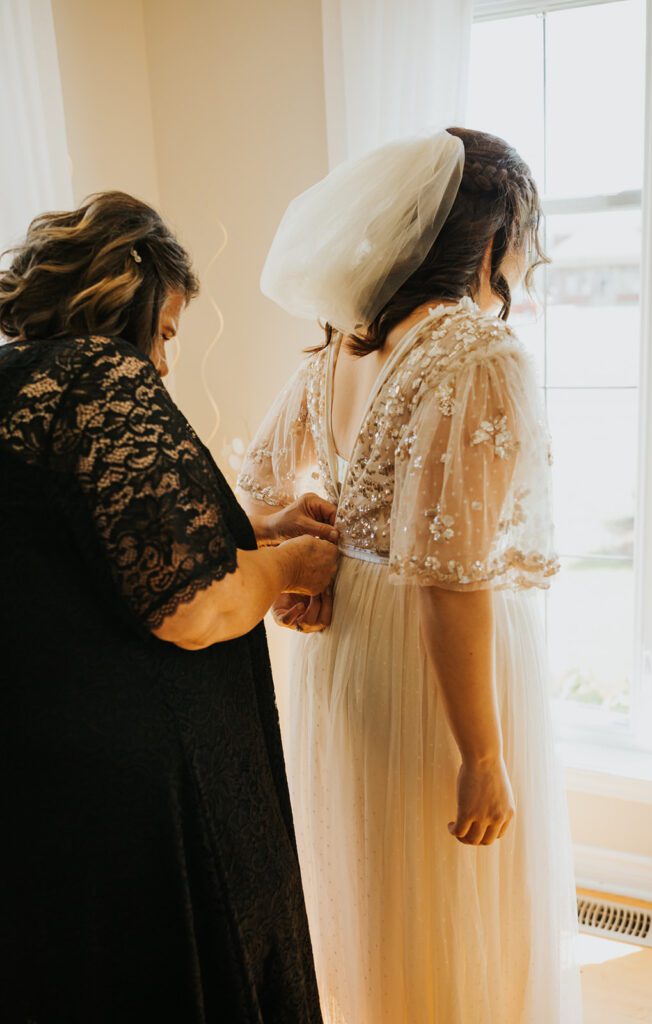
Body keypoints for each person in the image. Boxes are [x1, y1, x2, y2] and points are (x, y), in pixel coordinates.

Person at [237, 128, 584, 1022]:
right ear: (493, 241)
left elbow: (262, 484)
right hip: (441, 667)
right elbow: (450, 578)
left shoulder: (344, 345)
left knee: (378, 876)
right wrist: (483, 756)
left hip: (351, 650)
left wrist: (311, 570)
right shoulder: (479, 353)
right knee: (454, 887)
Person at [0, 191, 338, 1023]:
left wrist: (253, 528)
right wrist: (290, 562)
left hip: (43, 770)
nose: (164, 361)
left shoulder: (16, 385)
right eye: (169, 331)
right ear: (135, 297)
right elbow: (190, 607)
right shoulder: (100, 375)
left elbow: (79, 544)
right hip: (141, 787)